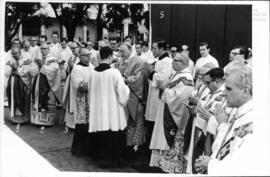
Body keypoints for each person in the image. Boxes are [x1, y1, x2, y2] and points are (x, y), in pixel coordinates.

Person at [194, 65, 254, 175]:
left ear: (246, 91)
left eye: (229, 89)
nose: (223, 93)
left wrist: (210, 164)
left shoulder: (252, 123)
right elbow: (226, 147)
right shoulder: (239, 112)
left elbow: (240, 168)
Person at [149, 53, 194, 173]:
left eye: (175, 60)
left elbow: (181, 98)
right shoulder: (178, 74)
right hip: (167, 110)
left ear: (183, 63)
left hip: (174, 117)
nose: (172, 62)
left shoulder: (187, 78)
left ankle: (173, 168)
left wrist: (165, 89)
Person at [87, 46, 130, 167]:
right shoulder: (114, 72)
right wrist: (127, 91)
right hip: (112, 111)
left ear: (100, 56)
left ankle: (100, 159)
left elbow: (90, 92)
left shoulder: (93, 72)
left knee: (100, 134)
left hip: (98, 111)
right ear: (111, 56)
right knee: (114, 133)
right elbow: (122, 94)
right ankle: (114, 161)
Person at [185, 67, 226, 173]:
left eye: (207, 83)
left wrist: (210, 118)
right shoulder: (212, 92)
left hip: (210, 135)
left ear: (217, 81)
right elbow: (206, 105)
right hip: (200, 128)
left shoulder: (223, 95)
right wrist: (197, 108)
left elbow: (224, 120)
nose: (206, 86)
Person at [115, 44, 146, 150]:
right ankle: (123, 142)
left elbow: (139, 78)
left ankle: (135, 143)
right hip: (122, 93)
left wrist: (124, 79)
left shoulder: (138, 61)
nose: (121, 54)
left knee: (134, 119)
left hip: (133, 94)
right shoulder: (120, 61)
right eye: (119, 51)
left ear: (130, 49)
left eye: (123, 51)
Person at [6, 46, 38, 125]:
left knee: (22, 100)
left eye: (15, 53)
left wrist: (18, 70)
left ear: (20, 52)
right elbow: (6, 71)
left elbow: (32, 70)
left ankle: (24, 119)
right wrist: (11, 68)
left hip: (23, 84)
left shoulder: (26, 59)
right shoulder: (11, 59)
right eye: (12, 53)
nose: (13, 55)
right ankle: (14, 117)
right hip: (13, 82)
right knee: (13, 99)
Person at [31, 43, 62, 126]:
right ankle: (37, 121)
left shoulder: (53, 59)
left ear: (48, 49)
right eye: (41, 49)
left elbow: (54, 70)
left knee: (48, 100)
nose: (42, 50)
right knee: (37, 99)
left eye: (45, 49)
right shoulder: (38, 58)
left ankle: (48, 121)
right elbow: (33, 70)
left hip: (49, 84)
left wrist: (43, 66)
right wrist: (37, 66)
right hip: (38, 81)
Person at [70, 48, 94, 156]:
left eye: (89, 54)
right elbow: (79, 87)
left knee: (90, 126)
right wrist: (93, 84)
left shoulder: (91, 66)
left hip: (91, 100)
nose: (89, 57)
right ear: (80, 56)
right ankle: (78, 150)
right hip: (81, 100)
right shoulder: (76, 68)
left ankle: (88, 149)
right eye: (86, 55)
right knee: (81, 126)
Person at [145, 41, 173, 126]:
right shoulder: (160, 60)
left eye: (154, 48)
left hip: (159, 94)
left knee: (157, 121)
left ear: (161, 49)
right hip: (154, 92)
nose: (152, 50)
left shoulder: (167, 61)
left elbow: (162, 79)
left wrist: (151, 71)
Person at [62, 42, 81, 130]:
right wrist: (67, 67)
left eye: (74, 48)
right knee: (70, 102)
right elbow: (66, 69)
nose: (73, 50)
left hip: (79, 83)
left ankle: (77, 124)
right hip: (70, 82)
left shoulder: (82, 57)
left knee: (77, 102)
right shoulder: (71, 57)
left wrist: (73, 66)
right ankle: (69, 124)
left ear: (79, 47)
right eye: (71, 48)